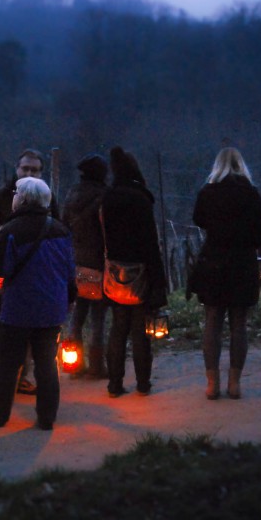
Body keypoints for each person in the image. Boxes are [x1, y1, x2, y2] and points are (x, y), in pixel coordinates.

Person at [0, 177, 75, 429]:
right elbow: (69, 271)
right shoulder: (61, 230)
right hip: (52, 308)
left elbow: (0, 271)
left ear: (21, 199)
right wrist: (69, 299)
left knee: (8, 364)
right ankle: (47, 418)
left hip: (18, 310)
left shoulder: (10, 232)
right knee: (47, 364)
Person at [0, 148, 60, 394]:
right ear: (17, 169)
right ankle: (4, 374)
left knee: (32, 327)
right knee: (7, 324)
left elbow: (59, 228)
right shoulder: (1, 196)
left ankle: (21, 375)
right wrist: (2, 232)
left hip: (39, 274)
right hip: (7, 272)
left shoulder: (49, 198)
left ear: (42, 173)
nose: (29, 173)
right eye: (25, 168)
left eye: (34, 169)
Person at [192, 148, 261, 399]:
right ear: (241, 165)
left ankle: (211, 383)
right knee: (239, 325)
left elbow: (199, 220)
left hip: (213, 262)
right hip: (242, 264)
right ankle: (234, 383)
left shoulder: (207, 192)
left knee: (212, 322)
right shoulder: (252, 194)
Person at [100, 146, 167, 398]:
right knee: (140, 332)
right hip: (140, 272)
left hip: (115, 272)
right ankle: (143, 383)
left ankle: (114, 384)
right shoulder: (141, 198)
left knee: (118, 329)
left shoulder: (107, 198)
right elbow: (150, 244)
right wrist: (159, 282)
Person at [60, 153, 110, 379]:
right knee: (98, 317)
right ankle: (97, 366)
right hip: (98, 262)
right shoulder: (103, 196)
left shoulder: (71, 194)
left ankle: (73, 365)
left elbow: (63, 224)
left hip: (74, 261)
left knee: (77, 314)